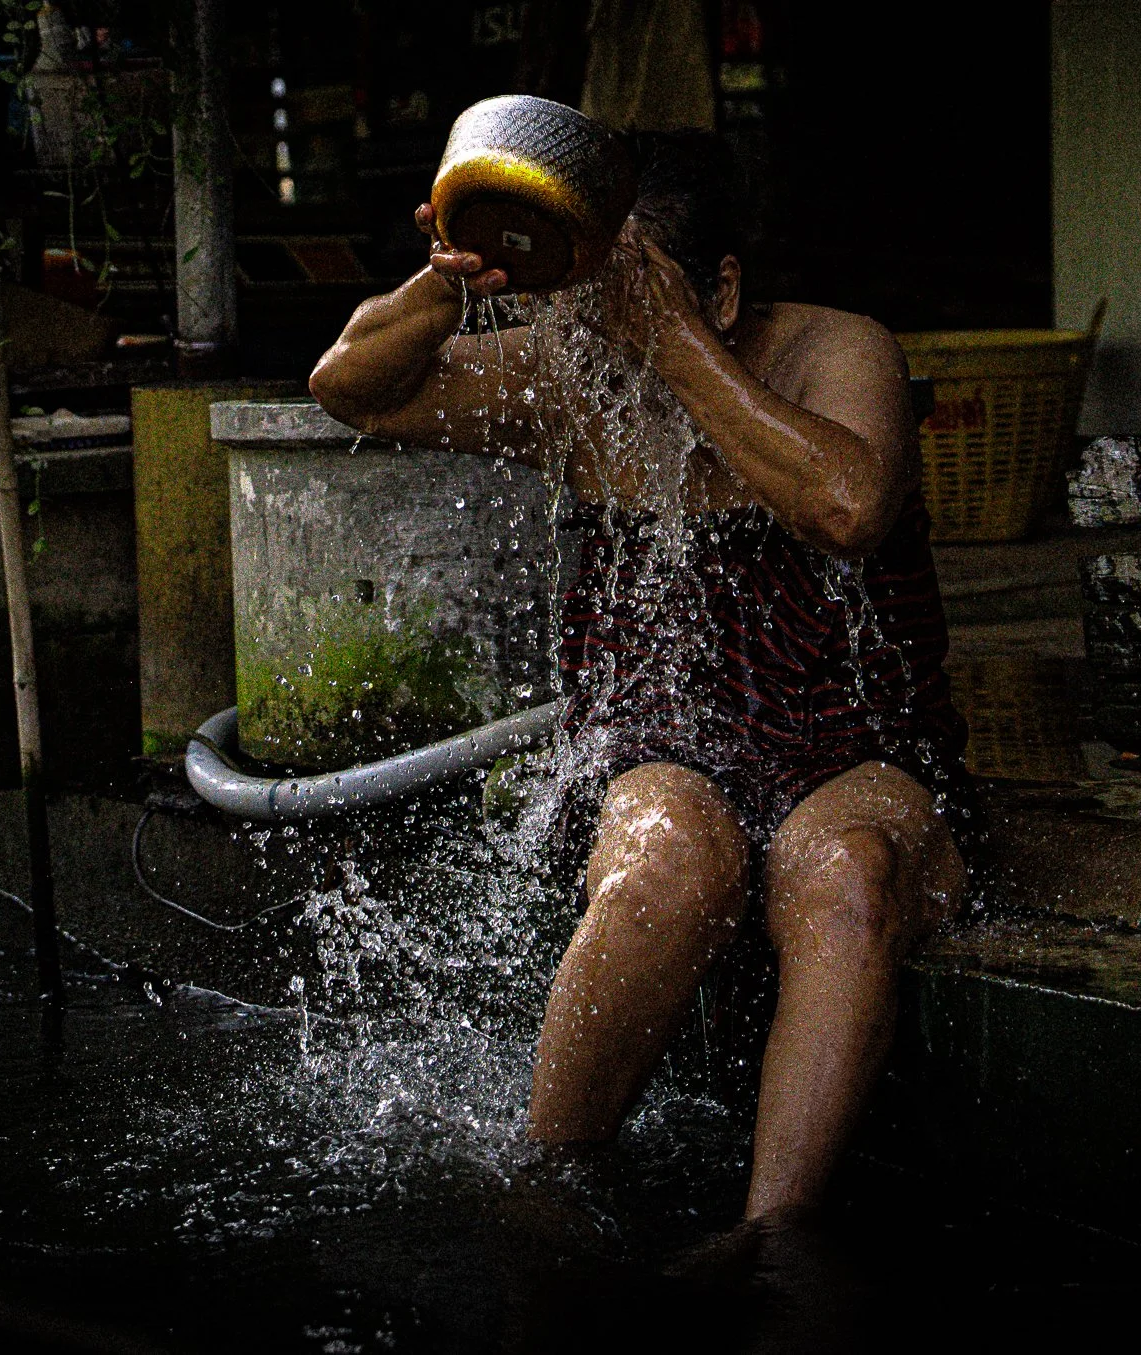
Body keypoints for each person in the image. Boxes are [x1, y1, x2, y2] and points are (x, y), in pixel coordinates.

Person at [308, 133, 973, 1224]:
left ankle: (772, 1246)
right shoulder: (566, 370)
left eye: (625, 301)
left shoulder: (836, 350)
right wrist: (448, 281)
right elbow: (353, 388)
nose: (593, 336)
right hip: (662, 741)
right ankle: (549, 1195)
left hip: (853, 749)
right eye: (582, 301)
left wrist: (668, 344)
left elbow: (847, 507)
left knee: (846, 875)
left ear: (717, 290)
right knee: (664, 861)